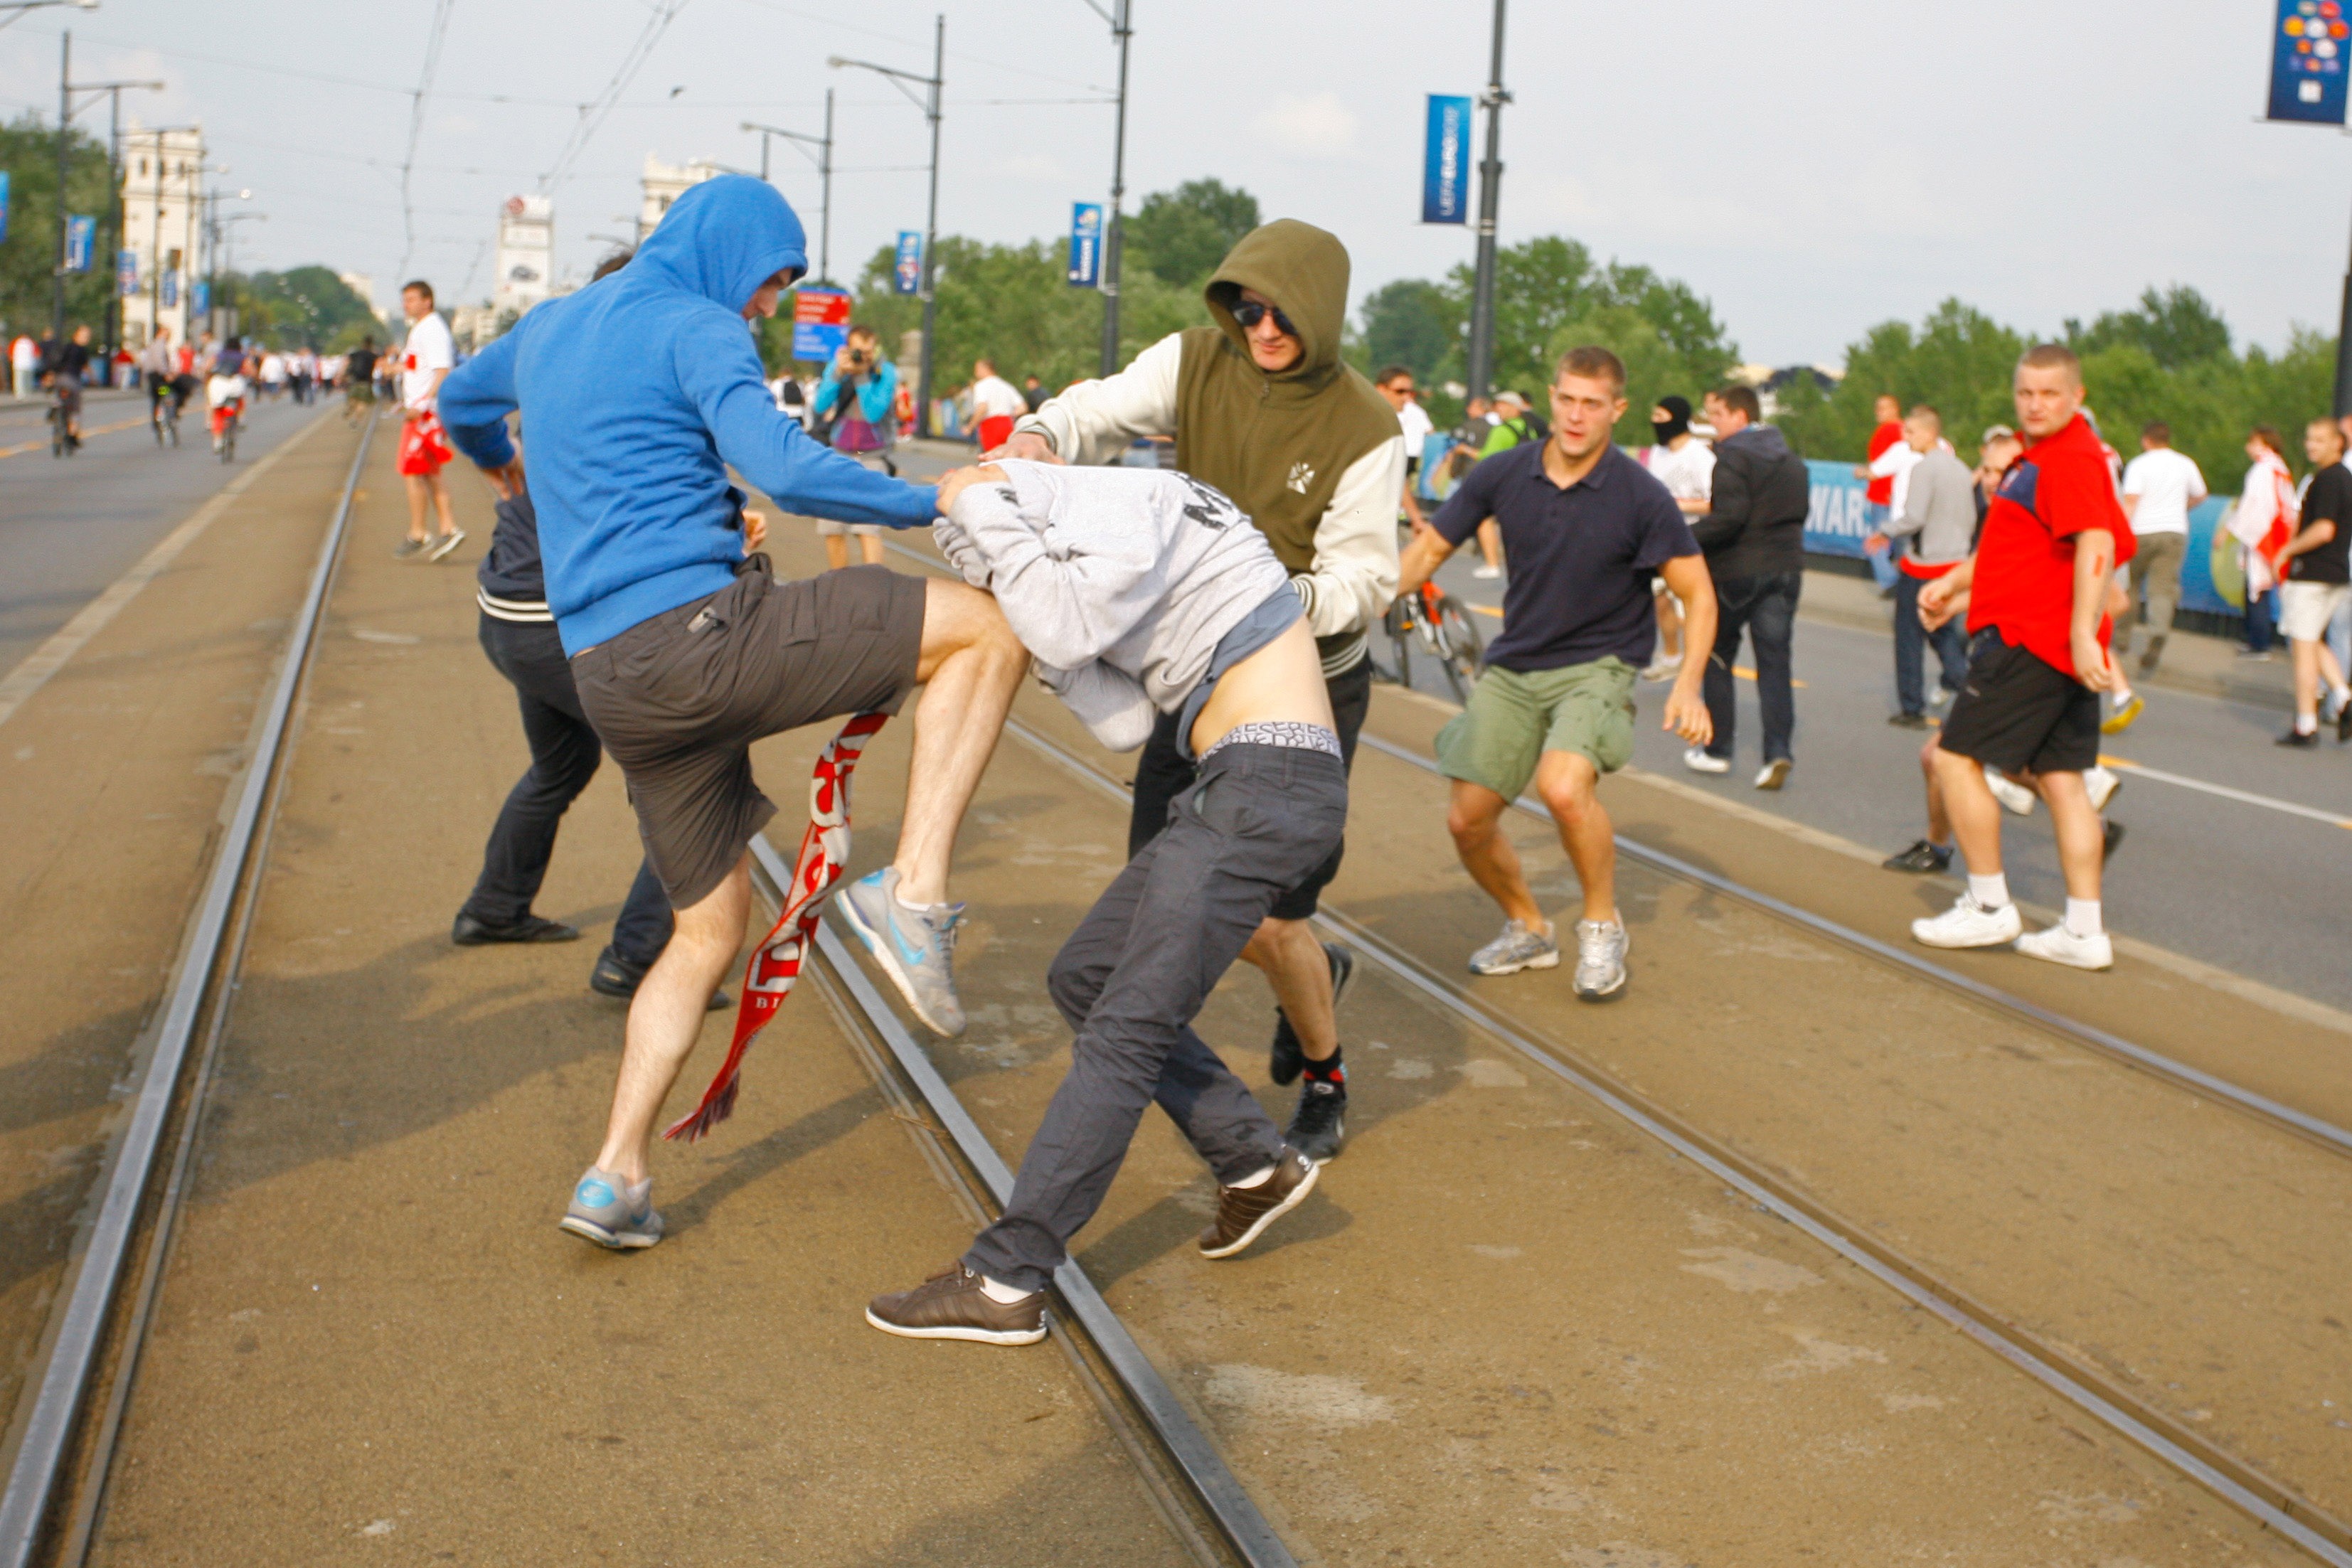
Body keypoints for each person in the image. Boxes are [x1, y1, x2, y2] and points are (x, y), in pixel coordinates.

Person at [438, 173, 1028, 1251]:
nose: (767, 305)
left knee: (707, 932)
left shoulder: (553, 325)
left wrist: (508, 476)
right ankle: (915, 894)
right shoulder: (696, 325)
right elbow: (785, 472)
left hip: (614, 679)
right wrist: (931, 494)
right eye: (772, 278)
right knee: (989, 629)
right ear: (730, 252)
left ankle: (615, 1172)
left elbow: (460, 407)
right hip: (701, 644)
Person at [866, 459, 1348, 1345]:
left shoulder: (1140, 501)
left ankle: (1007, 1279)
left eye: (991, 554)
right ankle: (1253, 1166)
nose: (989, 574)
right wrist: (1040, 627)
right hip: (1239, 782)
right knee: (1087, 978)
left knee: (1125, 1033)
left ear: (1019, 495)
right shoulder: (1094, 558)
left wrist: (976, 502)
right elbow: (1127, 722)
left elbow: (1055, 606)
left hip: (1266, 781)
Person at [994, 218, 1403, 1163]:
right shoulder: (1193, 360)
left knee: (1265, 919)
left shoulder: (1366, 427)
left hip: (1301, 695)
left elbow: (1362, 584)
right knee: (1153, 908)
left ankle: (1325, 1068)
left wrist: (1262, 596)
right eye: (1246, 309)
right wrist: (1039, 431)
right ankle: (1189, 1107)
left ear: (1323, 316)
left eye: (1282, 314)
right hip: (1192, 683)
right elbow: (1098, 408)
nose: (1260, 330)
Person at [1396, 346, 1716, 998]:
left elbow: (1699, 592)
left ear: (1616, 410)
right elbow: (1430, 546)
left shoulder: (1640, 496)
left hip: (1599, 663)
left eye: (1591, 404)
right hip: (1517, 662)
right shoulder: (1503, 472)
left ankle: (1601, 925)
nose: (1575, 416)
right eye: (1566, 399)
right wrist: (1350, 607)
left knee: (1563, 787)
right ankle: (1528, 926)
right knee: (1468, 820)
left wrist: (1688, 681)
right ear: (1552, 397)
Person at [1910, 345, 2134, 970]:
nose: (2036, 405)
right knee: (2063, 783)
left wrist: (2085, 631)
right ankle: (2084, 931)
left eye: (2050, 394)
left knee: (1954, 760)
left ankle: (1987, 905)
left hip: (2029, 642)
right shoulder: (2034, 461)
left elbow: (2098, 540)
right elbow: (2018, 556)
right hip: (2042, 637)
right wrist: (1954, 589)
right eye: (2026, 394)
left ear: (2076, 396)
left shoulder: (2071, 458)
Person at [1686, 383, 1810, 789]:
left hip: (1738, 569)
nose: (1713, 425)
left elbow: (1730, 518)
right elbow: (1799, 511)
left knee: (1717, 654)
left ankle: (1719, 749)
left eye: (1717, 415)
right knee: (1775, 663)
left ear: (1740, 416)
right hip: (1786, 568)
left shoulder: (1733, 457)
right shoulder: (1791, 460)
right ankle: (1778, 752)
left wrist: (1684, 541)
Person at [1866, 405, 1974, 726]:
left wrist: (1884, 532)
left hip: (1924, 563)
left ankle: (1912, 707)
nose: (1905, 437)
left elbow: (1913, 517)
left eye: (1910, 432)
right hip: (1954, 561)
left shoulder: (1924, 469)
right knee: (1941, 630)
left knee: (1909, 636)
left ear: (1928, 433)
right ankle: (1966, 685)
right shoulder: (1960, 468)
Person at [2102, 420, 2208, 732]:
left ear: (2146, 440)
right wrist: (2180, 507)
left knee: (2130, 587)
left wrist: (2120, 533)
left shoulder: (2139, 464)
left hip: (2141, 532)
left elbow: (2131, 501)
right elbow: (2201, 495)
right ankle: (2158, 630)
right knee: (2163, 588)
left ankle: (2121, 639)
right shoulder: (2185, 463)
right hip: (2174, 530)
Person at [2275, 416, 2352, 746]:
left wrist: (2286, 551)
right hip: (2337, 573)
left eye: (2320, 440)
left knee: (2302, 647)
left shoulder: (2327, 480)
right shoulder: (2345, 478)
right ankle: (2343, 696)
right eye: (2309, 439)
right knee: (2313, 639)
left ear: (2338, 442)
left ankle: (2306, 725)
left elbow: (2323, 529)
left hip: (2313, 573)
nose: (2311, 445)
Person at [1637, 395, 1714, 681]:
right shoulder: (1657, 453)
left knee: (1689, 603)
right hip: (1658, 536)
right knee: (1659, 597)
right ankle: (1672, 655)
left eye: (1662, 417)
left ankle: (1696, 662)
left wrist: (1680, 505)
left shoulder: (1700, 457)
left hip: (1691, 537)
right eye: (1654, 417)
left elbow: (1715, 502)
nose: (1656, 423)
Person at [809, 323, 898, 568]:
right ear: (848, 348)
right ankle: (840, 585)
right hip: (840, 452)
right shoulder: (838, 366)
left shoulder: (886, 372)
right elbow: (820, 406)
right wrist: (837, 374)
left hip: (873, 454)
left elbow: (873, 413)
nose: (863, 357)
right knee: (832, 526)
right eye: (858, 351)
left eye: (868, 351)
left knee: (867, 527)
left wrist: (861, 375)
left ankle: (874, 582)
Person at [396, 280, 464, 562]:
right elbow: (417, 367)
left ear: (428, 300)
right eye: (405, 299)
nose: (406, 304)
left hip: (426, 415)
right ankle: (445, 529)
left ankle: (421, 532)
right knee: (427, 470)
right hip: (422, 411)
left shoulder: (433, 329)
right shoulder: (422, 328)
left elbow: (443, 371)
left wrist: (422, 403)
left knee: (413, 468)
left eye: (412, 299)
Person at [2233, 427, 2296, 661]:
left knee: (2257, 588)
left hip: (2264, 535)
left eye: (2253, 442)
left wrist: (2235, 529)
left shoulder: (2263, 469)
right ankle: (2256, 640)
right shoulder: (2281, 468)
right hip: (2278, 533)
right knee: (2263, 587)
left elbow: (2254, 505)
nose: (2249, 447)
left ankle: (2259, 643)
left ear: (2265, 444)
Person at [1444, 394, 1508, 577]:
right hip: (1499, 475)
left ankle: (1491, 562)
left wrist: (1454, 469)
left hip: (1474, 474)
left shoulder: (1468, 427)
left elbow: (1458, 450)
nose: (1468, 410)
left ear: (1481, 408)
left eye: (1471, 406)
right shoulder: (1499, 429)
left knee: (1482, 519)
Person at [1855, 393, 1908, 591]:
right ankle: (1901, 581)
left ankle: (1891, 581)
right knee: (1899, 543)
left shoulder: (1891, 430)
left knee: (1877, 543)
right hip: (1893, 496)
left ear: (1895, 409)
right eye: (1877, 408)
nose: (1878, 412)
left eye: (1883, 408)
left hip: (1884, 495)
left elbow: (1884, 466)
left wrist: (1863, 472)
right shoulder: (1901, 430)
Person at [1374, 364, 1432, 528]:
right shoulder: (1366, 421)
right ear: (1381, 389)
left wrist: (1416, 520)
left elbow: (1398, 478)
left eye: (1411, 392)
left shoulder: (1390, 422)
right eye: (1400, 391)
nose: (1407, 398)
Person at [45, 326, 93, 444]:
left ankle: (55, 405)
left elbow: (55, 362)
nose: (87, 339)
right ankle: (72, 436)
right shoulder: (82, 350)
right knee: (75, 409)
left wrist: (50, 376)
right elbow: (86, 367)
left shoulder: (65, 347)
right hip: (72, 381)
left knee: (57, 393)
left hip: (59, 378)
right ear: (76, 335)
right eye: (85, 337)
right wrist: (93, 379)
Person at [968, 358, 1025, 453]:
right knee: (1006, 458)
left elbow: (982, 408)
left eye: (977, 369)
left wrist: (970, 427)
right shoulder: (1006, 385)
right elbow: (1023, 407)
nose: (975, 373)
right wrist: (1011, 413)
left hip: (991, 426)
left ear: (985, 368)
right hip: (1007, 424)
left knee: (991, 459)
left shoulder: (981, 385)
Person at [344, 336, 379, 426]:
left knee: (353, 399)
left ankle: (350, 408)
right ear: (371, 344)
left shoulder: (355, 354)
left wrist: (342, 375)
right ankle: (355, 420)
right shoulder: (373, 356)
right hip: (366, 382)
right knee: (362, 403)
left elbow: (346, 364)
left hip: (355, 381)